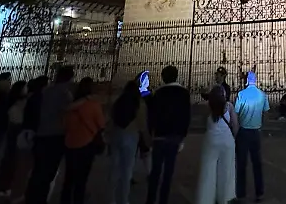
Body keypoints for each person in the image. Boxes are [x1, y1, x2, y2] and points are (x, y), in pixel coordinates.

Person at [26, 65, 76, 204]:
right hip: (55, 136)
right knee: (48, 172)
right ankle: (40, 199)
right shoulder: (65, 94)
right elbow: (68, 114)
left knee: (37, 170)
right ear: (69, 78)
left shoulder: (45, 91)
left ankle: (31, 198)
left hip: (41, 134)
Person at [146, 65, 191, 204]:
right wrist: (182, 136)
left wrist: (150, 133)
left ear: (163, 77)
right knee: (168, 173)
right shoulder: (184, 93)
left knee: (155, 172)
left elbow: (151, 115)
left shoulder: (159, 93)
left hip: (159, 136)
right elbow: (186, 116)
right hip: (175, 137)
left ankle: (150, 200)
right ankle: (163, 201)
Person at [106, 73, 149, 204]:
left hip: (116, 135)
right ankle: (124, 200)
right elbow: (142, 125)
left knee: (114, 169)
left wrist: (108, 138)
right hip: (131, 137)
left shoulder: (117, 102)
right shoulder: (139, 103)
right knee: (127, 170)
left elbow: (110, 121)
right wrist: (147, 140)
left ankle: (111, 199)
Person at [61, 77, 104, 204]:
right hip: (87, 143)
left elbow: (64, 125)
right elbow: (101, 124)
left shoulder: (70, 107)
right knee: (81, 179)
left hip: (70, 143)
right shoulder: (93, 105)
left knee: (69, 178)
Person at [0, 78, 35, 198]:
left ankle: (3, 184)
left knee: (10, 158)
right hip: (16, 129)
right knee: (11, 158)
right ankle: (3, 185)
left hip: (14, 129)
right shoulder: (20, 102)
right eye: (25, 87)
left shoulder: (15, 101)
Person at [195, 85, 237, 204]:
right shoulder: (229, 106)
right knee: (227, 170)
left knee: (208, 170)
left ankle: (205, 199)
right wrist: (234, 137)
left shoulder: (207, 107)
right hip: (227, 140)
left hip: (211, 140)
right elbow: (235, 125)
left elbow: (204, 124)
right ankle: (225, 198)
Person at [234, 71, 269, 202]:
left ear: (247, 81)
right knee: (257, 163)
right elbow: (266, 113)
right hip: (256, 131)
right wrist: (261, 126)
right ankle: (259, 192)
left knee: (242, 164)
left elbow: (236, 112)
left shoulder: (241, 94)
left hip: (243, 132)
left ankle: (241, 194)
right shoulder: (262, 95)